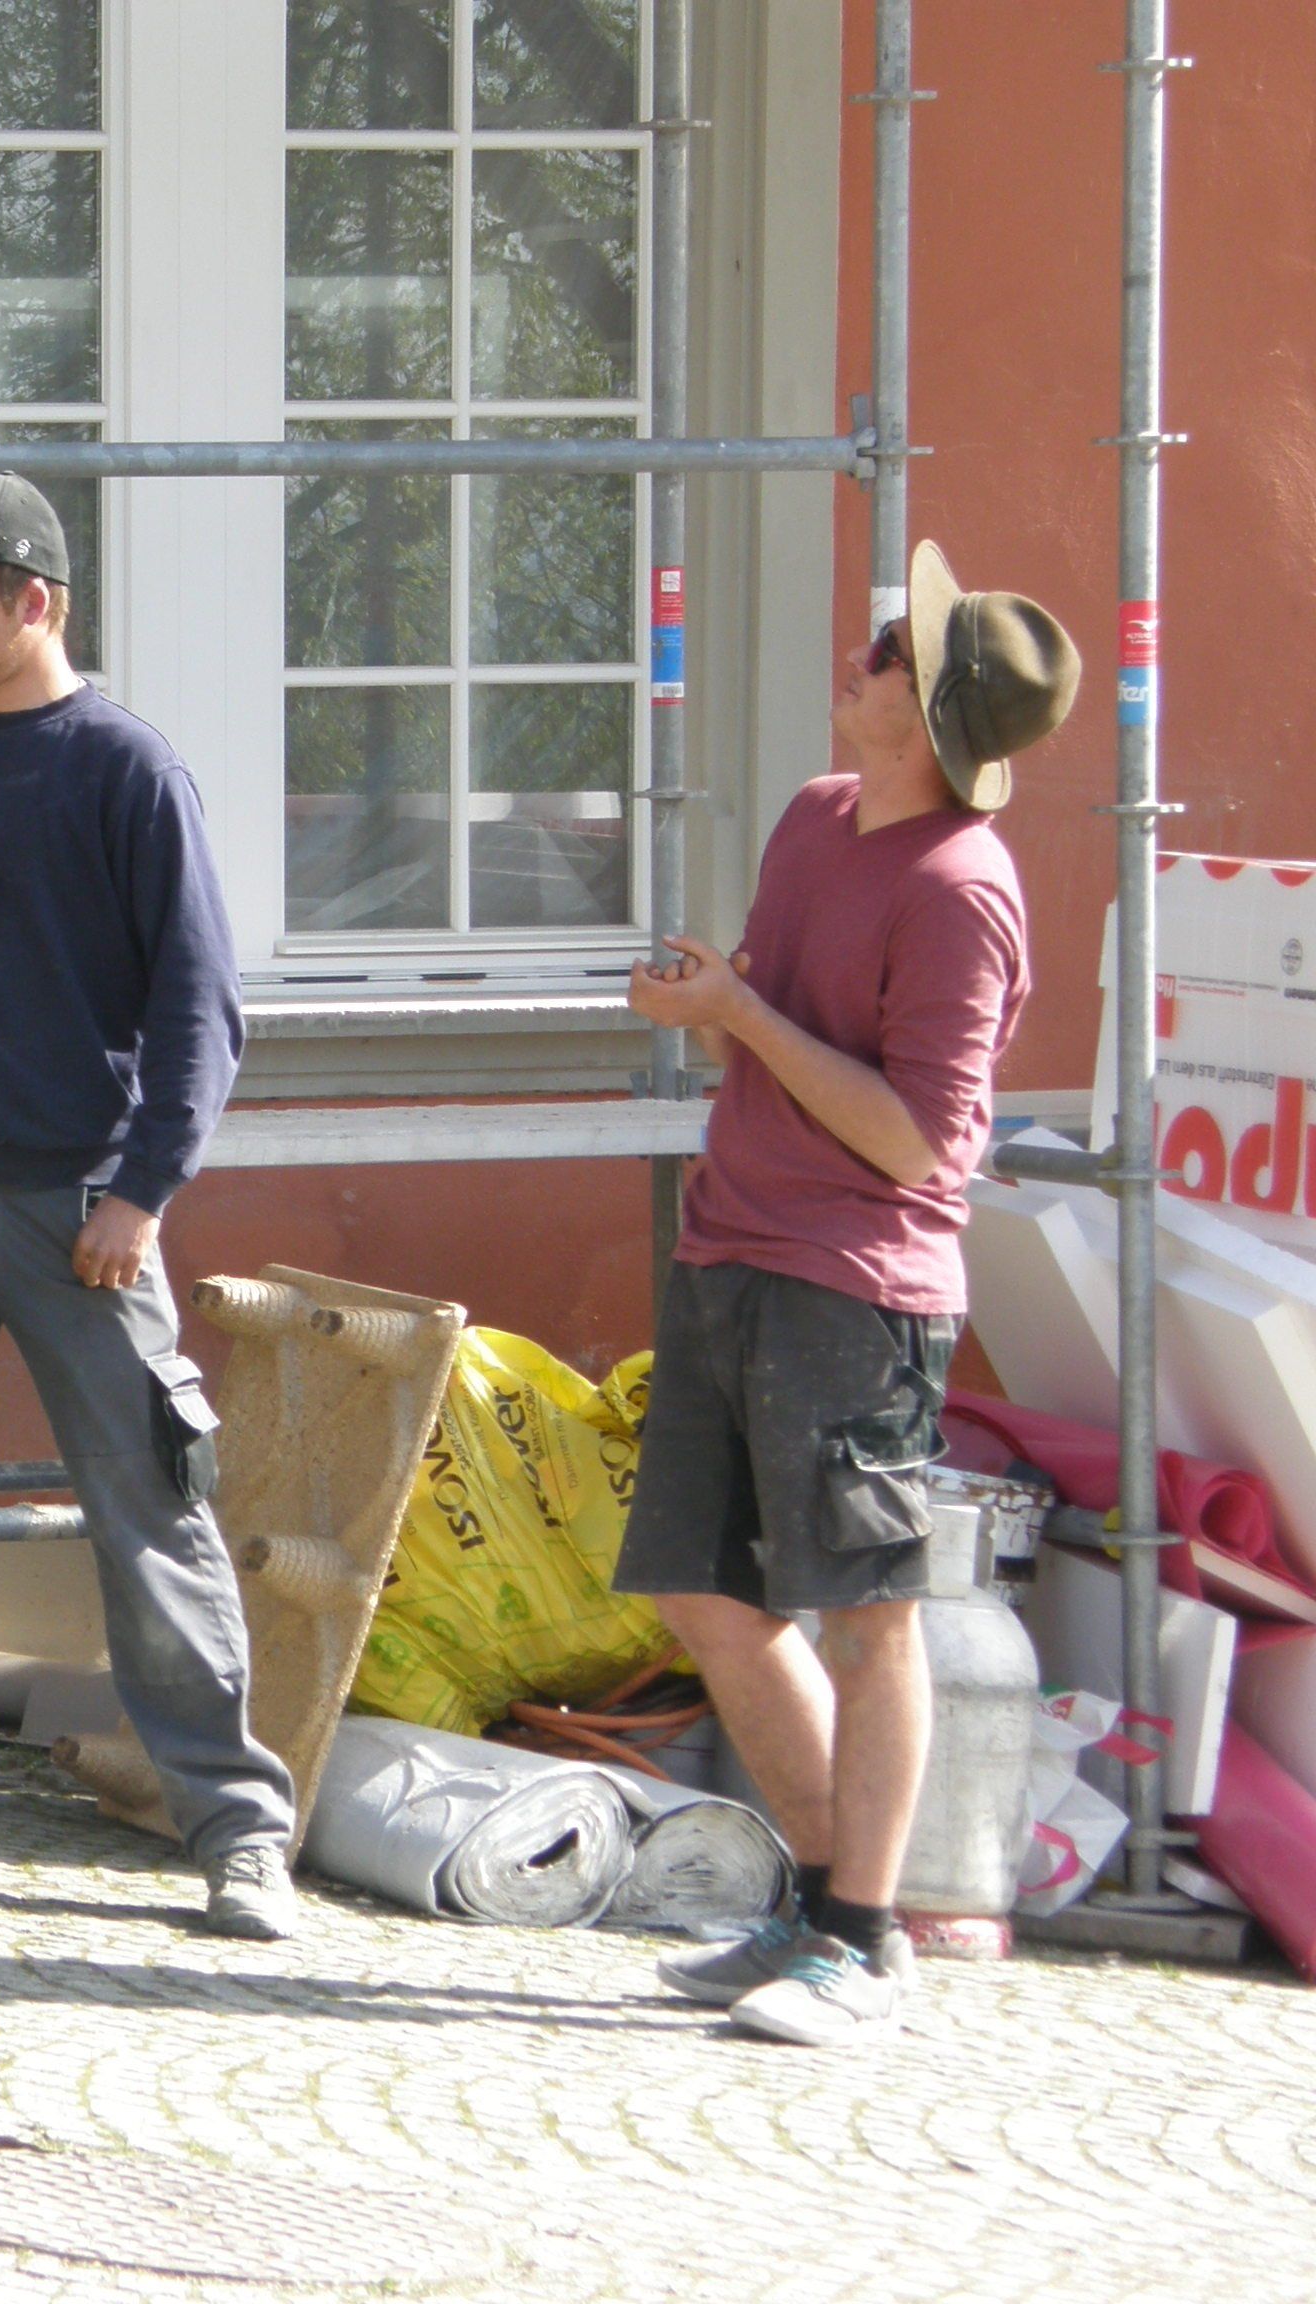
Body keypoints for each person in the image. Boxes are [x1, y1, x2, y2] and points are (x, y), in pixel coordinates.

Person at [0, 472, 301, 1939]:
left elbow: (200, 1008)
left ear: (36, 602)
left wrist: (141, 1195)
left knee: (150, 1514)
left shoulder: (129, 774)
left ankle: (239, 1832)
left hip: (84, 1216)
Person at [617, 539, 1081, 2045]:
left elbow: (922, 1140)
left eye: (892, 654)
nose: (862, 656)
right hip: (730, 1250)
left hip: (857, 1291)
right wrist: (708, 1008)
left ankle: (865, 1940)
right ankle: (821, 1910)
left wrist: (741, 1015)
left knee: (870, 1618)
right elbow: (765, 1028)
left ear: (927, 714)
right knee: (706, 1596)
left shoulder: (963, 889)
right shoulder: (819, 817)